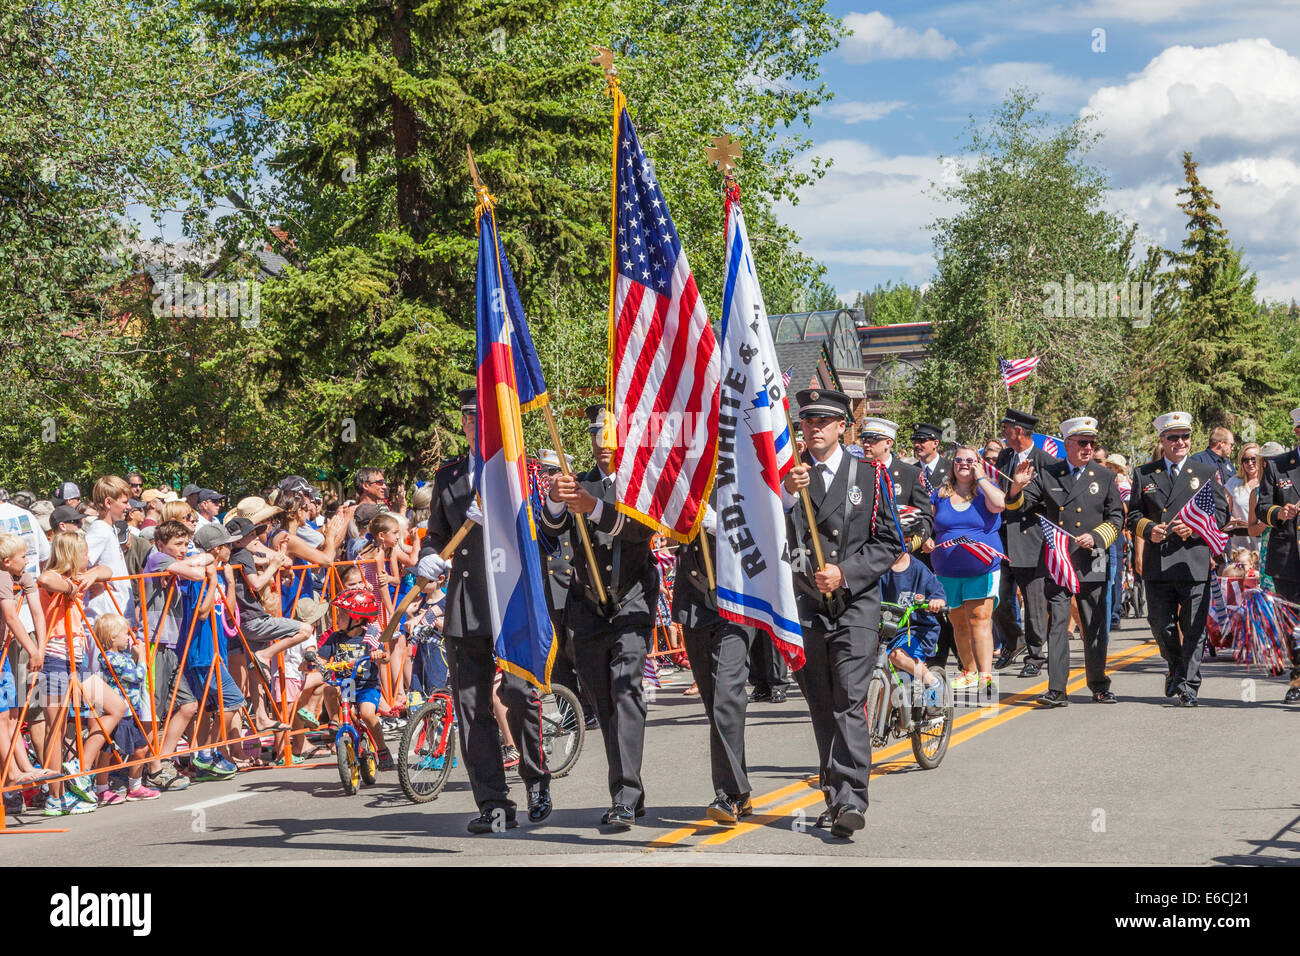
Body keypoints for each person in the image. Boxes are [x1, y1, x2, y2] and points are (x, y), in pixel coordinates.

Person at [425, 387, 551, 831]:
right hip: (468, 602)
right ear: (463, 423)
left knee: (518, 692)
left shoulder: (521, 471)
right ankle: (493, 803)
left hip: (511, 596)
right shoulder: (450, 476)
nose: (475, 425)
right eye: (469, 419)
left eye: (484, 418)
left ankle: (536, 777)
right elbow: (435, 535)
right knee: (472, 705)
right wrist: (429, 553)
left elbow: (545, 530)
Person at [782, 388, 903, 839]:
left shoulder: (869, 475)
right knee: (821, 707)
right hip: (808, 608)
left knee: (849, 702)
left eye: (822, 421)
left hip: (855, 606)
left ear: (841, 428)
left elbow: (891, 543)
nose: (813, 429)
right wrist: (788, 499)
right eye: (807, 422)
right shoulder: (789, 479)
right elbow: (773, 539)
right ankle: (833, 797)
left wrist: (846, 572)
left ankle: (851, 799)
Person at [539, 402, 656, 830]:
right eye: (595, 436)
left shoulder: (640, 483)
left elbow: (643, 529)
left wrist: (592, 507)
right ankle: (630, 789)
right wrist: (556, 501)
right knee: (604, 702)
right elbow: (551, 533)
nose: (602, 444)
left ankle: (623, 794)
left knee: (626, 692)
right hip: (587, 607)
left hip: (631, 604)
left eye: (610, 435)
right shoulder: (580, 483)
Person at [1007, 417, 1125, 705]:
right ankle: (1057, 689)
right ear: (1067, 444)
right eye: (1082, 443)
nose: (1088, 448)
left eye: (1092, 444)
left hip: (1092, 558)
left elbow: (1117, 517)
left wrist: (1097, 537)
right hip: (1059, 559)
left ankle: (1099, 684)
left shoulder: (1104, 476)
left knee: (1093, 625)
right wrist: (1016, 488)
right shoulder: (1049, 473)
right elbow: (1019, 507)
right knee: (1057, 625)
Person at [1127, 411, 1230, 706]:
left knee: (1194, 628)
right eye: (1173, 437)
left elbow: (1220, 514)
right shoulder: (1145, 474)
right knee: (1161, 626)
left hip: (1193, 561)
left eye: (1185, 436)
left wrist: (1196, 527)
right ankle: (1175, 666)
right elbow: (1133, 514)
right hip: (1158, 562)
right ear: (1162, 440)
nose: (1180, 442)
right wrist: (1148, 529)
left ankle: (1189, 685)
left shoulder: (1205, 473)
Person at [672, 502, 756, 825]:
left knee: (726, 695)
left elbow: (760, 524)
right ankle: (742, 792)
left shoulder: (739, 468)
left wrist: (714, 523)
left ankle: (728, 794)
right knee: (716, 704)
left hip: (738, 597)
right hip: (695, 599)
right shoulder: (687, 473)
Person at [37, 531, 127, 816]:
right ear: (71, 555)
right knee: (57, 730)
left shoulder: (81, 576)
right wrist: (68, 585)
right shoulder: (54, 578)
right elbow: (45, 579)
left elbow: (107, 570)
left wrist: (91, 574)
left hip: (79, 661)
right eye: (84, 553)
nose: (89, 558)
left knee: (116, 707)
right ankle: (55, 795)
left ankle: (80, 770)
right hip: (54, 660)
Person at [923, 445, 1006, 692]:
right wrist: (926, 537)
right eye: (959, 460)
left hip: (982, 567)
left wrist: (981, 478)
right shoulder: (940, 494)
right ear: (952, 464)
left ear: (978, 463)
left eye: (970, 460)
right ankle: (968, 670)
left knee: (979, 619)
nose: (964, 464)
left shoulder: (986, 492)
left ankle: (985, 676)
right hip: (947, 569)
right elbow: (929, 521)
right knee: (958, 622)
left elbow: (1000, 504)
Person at [992, 409, 1060, 673]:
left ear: (1018, 431)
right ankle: (1015, 640)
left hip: (1031, 538)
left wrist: (1019, 493)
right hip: (1002, 538)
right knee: (998, 598)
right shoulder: (1005, 456)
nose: (1003, 432)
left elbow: (1049, 499)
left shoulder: (1045, 461)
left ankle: (1035, 655)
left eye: (1006, 428)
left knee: (1033, 603)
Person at [317, 587, 394, 771]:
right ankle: (335, 721)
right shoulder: (336, 637)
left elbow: (387, 656)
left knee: (367, 714)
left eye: (342, 614)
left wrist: (379, 655)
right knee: (328, 688)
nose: (337, 618)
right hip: (346, 685)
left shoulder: (370, 636)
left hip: (367, 686)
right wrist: (313, 662)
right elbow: (321, 657)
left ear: (357, 619)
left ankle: (382, 749)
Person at [1254, 407, 1300, 703]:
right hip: (1289, 555)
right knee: (1293, 620)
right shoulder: (1279, 465)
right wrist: (1279, 513)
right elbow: (1262, 507)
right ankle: (1297, 677)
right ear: (1297, 431)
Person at [93, 613, 161, 802]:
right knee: (107, 751)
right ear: (113, 637)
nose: (129, 637)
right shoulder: (110, 659)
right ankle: (101, 789)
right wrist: (140, 659)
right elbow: (137, 677)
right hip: (116, 712)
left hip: (131, 711)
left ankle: (135, 786)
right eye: (125, 634)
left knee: (140, 748)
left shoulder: (122, 656)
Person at [878, 548, 946, 711]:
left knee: (897, 656)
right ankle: (878, 731)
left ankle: (933, 682)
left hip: (917, 629)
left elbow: (939, 594)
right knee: (883, 682)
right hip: (888, 629)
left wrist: (936, 601)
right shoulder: (880, 569)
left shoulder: (918, 569)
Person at [860, 417, 933, 555]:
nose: (866, 444)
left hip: (899, 554)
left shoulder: (910, 473)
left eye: (872, 440)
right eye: (864, 439)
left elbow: (925, 518)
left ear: (888, 443)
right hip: (864, 554)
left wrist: (909, 546)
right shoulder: (856, 471)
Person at [1224, 443, 1267, 554]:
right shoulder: (1233, 482)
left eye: (1254, 459)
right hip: (1240, 546)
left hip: (1265, 544)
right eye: (1245, 460)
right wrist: (1229, 519)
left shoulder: (1268, 481)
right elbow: (1224, 512)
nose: (1250, 463)